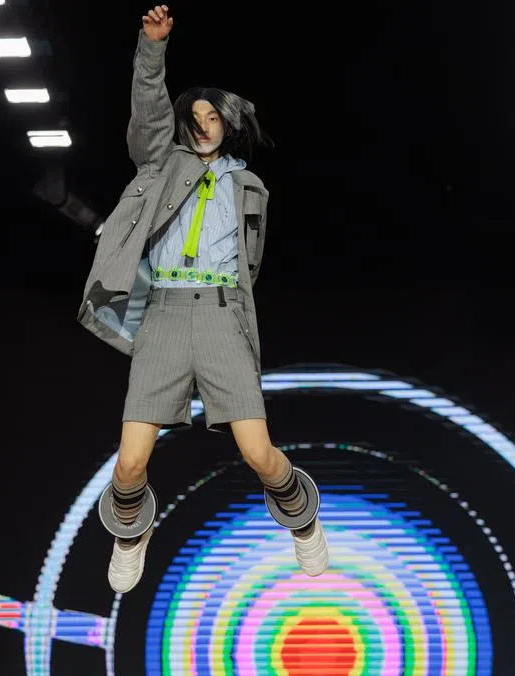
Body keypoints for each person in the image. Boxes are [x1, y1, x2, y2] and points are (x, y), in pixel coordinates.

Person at [77, 5, 329, 593]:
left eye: (211, 114)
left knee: (260, 455)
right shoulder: (162, 165)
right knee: (130, 463)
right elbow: (146, 111)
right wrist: (151, 47)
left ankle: (303, 521)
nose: (203, 122)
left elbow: (251, 263)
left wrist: (237, 320)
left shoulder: (250, 186)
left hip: (220, 316)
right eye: (193, 115)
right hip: (164, 313)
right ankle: (132, 533)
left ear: (226, 123)